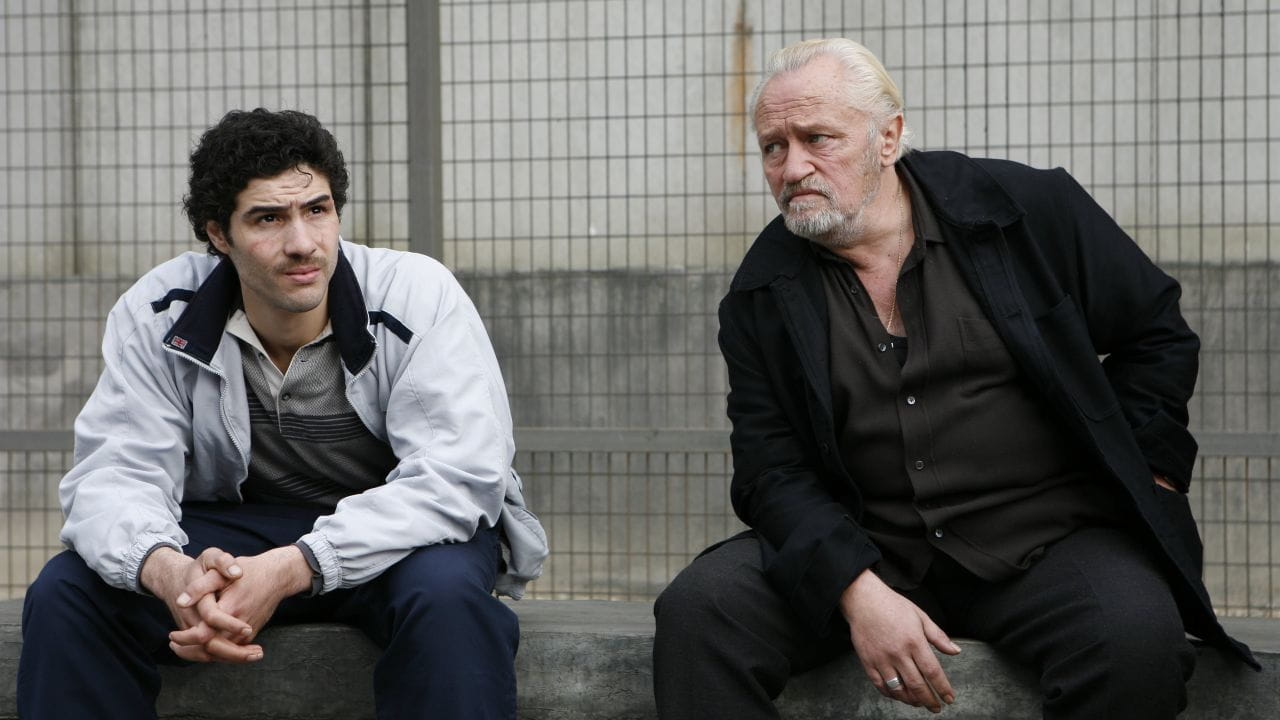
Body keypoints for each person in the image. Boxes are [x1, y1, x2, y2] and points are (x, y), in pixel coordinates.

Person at [653, 38, 1257, 719]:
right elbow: (772, 472)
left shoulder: (1024, 211)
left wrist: (1153, 468)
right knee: (701, 612)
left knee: (1134, 642)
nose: (793, 167)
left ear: (888, 138)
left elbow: (1156, 331)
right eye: (773, 147)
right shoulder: (761, 293)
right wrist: (855, 587)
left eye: (817, 138)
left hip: (1048, 541)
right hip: (867, 545)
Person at [17, 108, 547, 719]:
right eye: (268, 218)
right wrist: (170, 573)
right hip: (241, 530)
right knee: (69, 593)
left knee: (449, 599)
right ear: (219, 235)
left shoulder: (415, 295)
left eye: (317, 210)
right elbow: (115, 473)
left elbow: (459, 474)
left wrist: (296, 566)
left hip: (400, 536)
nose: (302, 243)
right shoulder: (159, 311)